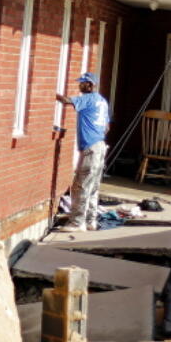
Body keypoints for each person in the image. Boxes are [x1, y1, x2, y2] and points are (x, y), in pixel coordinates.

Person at [56, 72, 110, 231]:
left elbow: (67, 100)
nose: (80, 86)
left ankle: (77, 222)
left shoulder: (89, 98)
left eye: (83, 83)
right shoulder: (102, 101)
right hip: (100, 146)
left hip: (91, 148)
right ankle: (90, 221)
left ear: (91, 85)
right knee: (93, 186)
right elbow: (107, 127)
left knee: (81, 185)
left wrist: (52, 92)